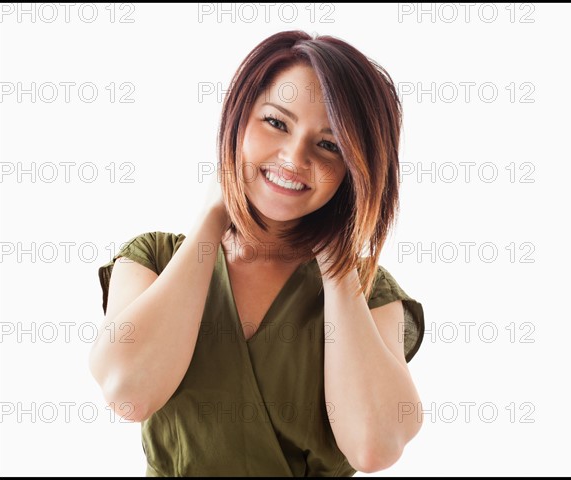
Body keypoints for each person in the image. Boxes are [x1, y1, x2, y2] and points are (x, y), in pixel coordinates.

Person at [90, 30, 426, 477]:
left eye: (329, 145)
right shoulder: (154, 257)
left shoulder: (369, 292)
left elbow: (375, 448)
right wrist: (212, 218)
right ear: (238, 120)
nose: (293, 157)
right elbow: (126, 392)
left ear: (355, 169)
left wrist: (337, 266)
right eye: (276, 122)